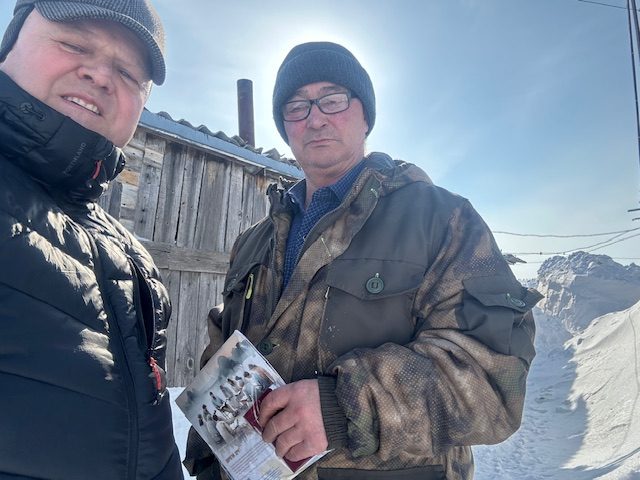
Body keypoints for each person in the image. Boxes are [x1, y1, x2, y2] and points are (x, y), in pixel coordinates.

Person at [184, 41, 543, 480]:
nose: (315, 118)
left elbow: (493, 380)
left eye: (332, 99)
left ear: (366, 115)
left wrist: (342, 407)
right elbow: (221, 365)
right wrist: (208, 462)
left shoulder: (441, 220)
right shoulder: (253, 242)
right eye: (296, 107)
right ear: (285, 127)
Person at [0, 1, 182, 479]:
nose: (100, 76)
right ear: (10, 44)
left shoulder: (132, 258)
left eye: (127, 73)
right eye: (74, 44)